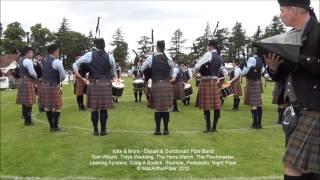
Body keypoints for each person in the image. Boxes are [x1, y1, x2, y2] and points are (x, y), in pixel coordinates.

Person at [264, 0, 320, 179]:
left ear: (294, 10)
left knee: (292, 165)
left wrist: (298, 58)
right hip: (294, 109)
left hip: (314, 107)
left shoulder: (318, 33)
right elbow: (283, 75)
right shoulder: (290, 36)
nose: (280, 15)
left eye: (282, 11)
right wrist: (273, 67)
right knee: (308, 169)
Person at [73, 39, 117, 136]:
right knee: (104, 109)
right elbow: (113, 72)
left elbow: (75, 64)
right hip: (105, 84)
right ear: (104, 45)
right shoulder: (110, 57)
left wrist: (80, 76)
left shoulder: (89, 55)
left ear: (95, 46)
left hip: (93, 84)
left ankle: (96, 130)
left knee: (94, 109)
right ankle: (103, 131)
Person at [142, 40, 174, 135]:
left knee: (157, 108)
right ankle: (166, 129)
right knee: (165, 109)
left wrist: (150, 73)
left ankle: (158, 130)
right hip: (166, 84)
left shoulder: (151, 58)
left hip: (156, 84)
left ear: (157, 47)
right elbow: (171, 73)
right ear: (164, 47)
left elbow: (143, 68)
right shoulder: (169, 59)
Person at [194, 40, 222, 133]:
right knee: (216, 106)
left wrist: (195, 73)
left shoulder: (208, 54)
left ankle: (208, 128)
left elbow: (197, 66)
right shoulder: (219, 57)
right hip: (214, 82)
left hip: (206, 81)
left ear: (210, 46)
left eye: (208, 46)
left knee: (206, 106)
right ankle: (214, 128)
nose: (207, 48)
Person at [39, 44, 66, 132]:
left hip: (44, 85)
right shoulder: (57, 61)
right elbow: (63, 75)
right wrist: (59, 81)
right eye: (58, 51)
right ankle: (55, 126)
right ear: (55, 52)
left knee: (48, 107)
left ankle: (51, 127)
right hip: (53, 85)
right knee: (57, 106)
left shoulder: (44, 60)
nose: (59, 53)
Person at [16, 47, 37, 126]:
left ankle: (26, 120)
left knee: (25, 102)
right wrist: (36, 77)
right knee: (29, 102)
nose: (32, 54)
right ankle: (28, 121)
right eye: (31, 52)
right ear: (27, 53)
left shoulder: (21, 60)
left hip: (22, 81)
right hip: (28, 81)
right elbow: (32, 73)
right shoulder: (28, 61)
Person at [242, 55, 264, 129]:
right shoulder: (261, 61)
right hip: (258, 82)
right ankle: (259, 124)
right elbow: (263, 71)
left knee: (254, 105)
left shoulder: (251, 59)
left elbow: (245, 71)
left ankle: (255, 123)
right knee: (259, 104)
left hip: (251, 82)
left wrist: (243, 72)